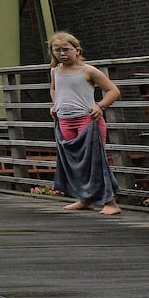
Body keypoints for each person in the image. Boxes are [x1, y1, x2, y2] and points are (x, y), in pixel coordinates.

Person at [49, 31, 122, 216]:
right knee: (75, 162)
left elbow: (113, 90)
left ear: (77, 50)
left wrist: (101, 106)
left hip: (87, 120)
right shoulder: (55, 71)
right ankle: (85, 199)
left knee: (95, 162)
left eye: (66, 49)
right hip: (65, 121)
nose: (61, 53)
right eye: (56, 50)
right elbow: (54, 88)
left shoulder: (88, 71)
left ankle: (111, 202)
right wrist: (55, 104)